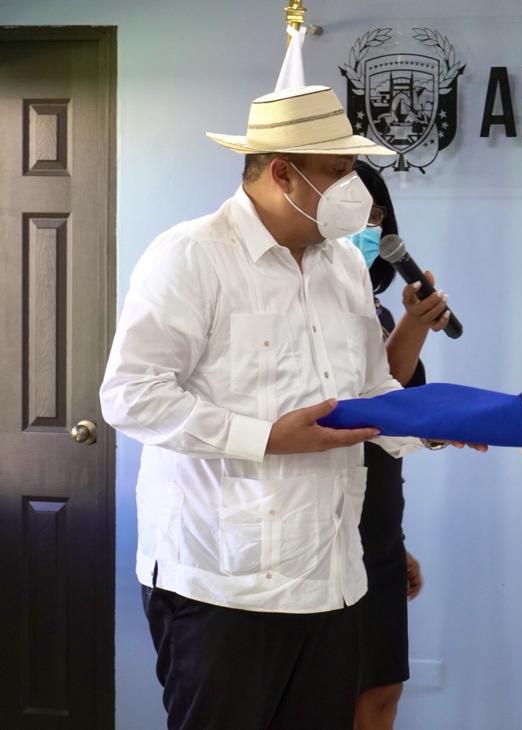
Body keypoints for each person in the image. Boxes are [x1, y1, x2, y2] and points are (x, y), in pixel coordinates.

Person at [99, 85, 473, 730]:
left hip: (329, 574)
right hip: (221, 579)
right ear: (282, 173)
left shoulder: (343, 268)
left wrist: (431, 423)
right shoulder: (191, 255)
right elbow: (131, 395)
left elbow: (371, 391)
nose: (355, 188)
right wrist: (265, 436)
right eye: (340, 171)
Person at [348, 160, 450, 730]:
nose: (368, 226)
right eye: (354, 214)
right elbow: (361, 411)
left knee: (382, 693)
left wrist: (395, 541)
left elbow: (390, 408)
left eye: (376, 214)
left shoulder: (377, 308)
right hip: (324, 534)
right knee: (333, 692)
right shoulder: (304, 312)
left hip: (377, 529)